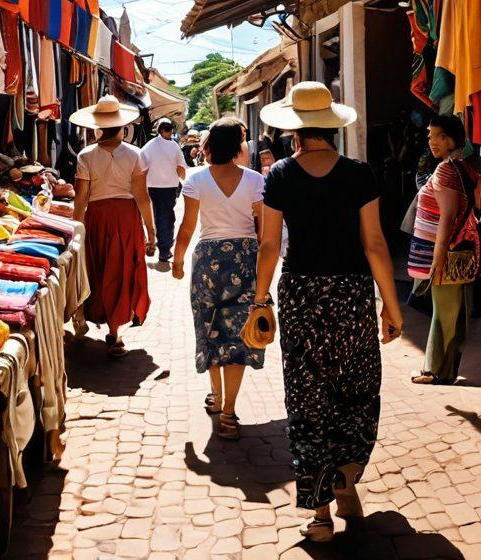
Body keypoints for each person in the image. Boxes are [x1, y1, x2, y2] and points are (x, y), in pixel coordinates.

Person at [252, 82, 403, 544]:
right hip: (352, 294)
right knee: (357, 389)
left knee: (307, 399)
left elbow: (270, 245)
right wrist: (391, 308)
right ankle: (347, 473)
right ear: (333, 127)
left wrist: (261, 301)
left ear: (294, 131)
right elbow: (375, 244)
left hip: (300, 295)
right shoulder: (359, 174)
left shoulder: (278, 175)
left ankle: (320, 516)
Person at [172, 117, 265, 440]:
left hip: (208, 261)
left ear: (209, 146)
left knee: (210, 329)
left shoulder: (197, 180)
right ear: (239, 147)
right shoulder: (255, 181)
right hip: (245, 260)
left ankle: (216, 394)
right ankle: (229, 412)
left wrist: (178, 260)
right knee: (238, 335)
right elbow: (263, 229)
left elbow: (187, 227)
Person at [71, 95, 156, 358]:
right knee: (122, 271)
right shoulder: (135, 154)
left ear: (98, 126)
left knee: (101, 269)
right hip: (127, 218)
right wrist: (151, 232)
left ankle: (110, 327)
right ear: (122, 127)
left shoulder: (86, 156)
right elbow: (142, 196)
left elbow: (80, 199)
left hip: (97, 219)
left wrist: (77, 230)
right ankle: (115, 333)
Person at [408, 114, 481, 385]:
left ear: (449, 139)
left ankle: (436, 370)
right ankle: (444, 368)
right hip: (455, 250)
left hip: (447, 252)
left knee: (444, 312)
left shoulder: (446, 170)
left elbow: (448, 216)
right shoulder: (462, 166)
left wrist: (438, 256)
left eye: (435, 135)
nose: (430, 141)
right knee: (451, 310)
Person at [140, 118, 186, 266]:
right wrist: (183, 180)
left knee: (159, 215)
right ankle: (165, 249)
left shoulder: (150, 145)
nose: (169, 133)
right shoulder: (174, 146)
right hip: (169, 187)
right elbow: (181, 168)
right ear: (163, 131)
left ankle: (163, 245)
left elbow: (142, 165)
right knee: (167, 216)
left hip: (154, 186)